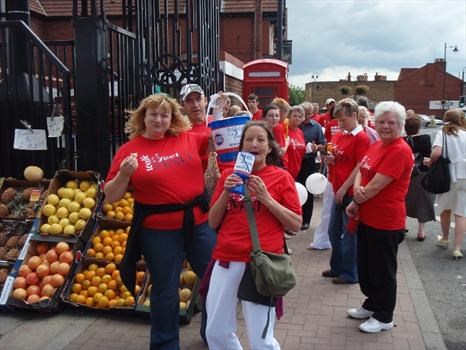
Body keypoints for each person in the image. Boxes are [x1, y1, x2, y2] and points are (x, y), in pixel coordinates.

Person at [104, 94, 216, 349]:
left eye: (165, 114)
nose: (159, 119)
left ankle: (215, 333)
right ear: (143, 117)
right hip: (158, 232)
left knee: (215, 280)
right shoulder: (128, 150)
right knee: (165, 290)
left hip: (199, 224)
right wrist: (124, 175)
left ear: (173, 118)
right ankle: (165, 345)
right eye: (153, 114)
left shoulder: (189, 138)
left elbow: (222, 141)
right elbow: (111, 196)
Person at [205, 120, 302, 350]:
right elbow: (212, 222)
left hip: (261, 262)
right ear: (241, 147)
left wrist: (266, 197)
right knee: (216, 329)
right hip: (227, 258)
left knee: (261, 338)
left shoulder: (281, 177)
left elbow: (296, 224)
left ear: (270, 147)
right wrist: (226, 193)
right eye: (248, 139)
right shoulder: (228, 175)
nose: (254, 144)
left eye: (260, 139)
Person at [346, 101, 413, 334]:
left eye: (391, 122)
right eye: (382, 121)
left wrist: (357, 198)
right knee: (367, 266)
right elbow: (361, 172)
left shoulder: (399, 150)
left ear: (400, 125)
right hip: (367, 217)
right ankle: (372, 304)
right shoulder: (377, 145)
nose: (385, 126)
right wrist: (356, 192)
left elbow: (375, 186)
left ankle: (384, 315)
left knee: (383, 270)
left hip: (386, 221)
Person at [323, 98, 370, 284]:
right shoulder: (342, 135)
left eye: (343, 120)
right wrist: (331, 160)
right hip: (338, 188)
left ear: (354, 116)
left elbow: (360, 165)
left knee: (349, 234)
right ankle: (338, 266)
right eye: (338, 120)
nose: (340, 124)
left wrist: (343, 187)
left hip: (349, 190)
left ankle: (350, 273)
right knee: (333, 231)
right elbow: (339, 157)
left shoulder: (362, 138)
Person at [428, 108, 466, 259]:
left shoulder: (443, 133)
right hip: (465, 176)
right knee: (461, 212)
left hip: (448, 176)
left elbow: (437, 153)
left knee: (445, 209)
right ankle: (457, 248)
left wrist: (430, 162)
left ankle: (445, 238)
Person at [404, 115, 435, 241]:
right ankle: (421, 232)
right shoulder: (426, 138)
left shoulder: (403, 140)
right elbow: (429, 154)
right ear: (419, 127)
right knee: (423, 202)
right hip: (423, 174)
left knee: (404, 200)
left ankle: (403, 225)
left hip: (407, 175)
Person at [297, 109, 326, 233]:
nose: (306, 116)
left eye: (309, 113)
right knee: (295, 189)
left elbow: (323, 144)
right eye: (305, 114)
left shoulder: (316, 127)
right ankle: (296, 218)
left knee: (308, 191)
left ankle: (306, 220)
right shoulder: (295, 125)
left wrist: (316, 147)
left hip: (309, 161)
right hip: (296, 160)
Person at [286, 105, 306, 179]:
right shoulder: (284, 130)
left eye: (300, 117)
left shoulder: (300, 133)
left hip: (296, 171)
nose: (297, 118)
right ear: (289, 117)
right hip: (285, 170)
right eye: (294, 116)